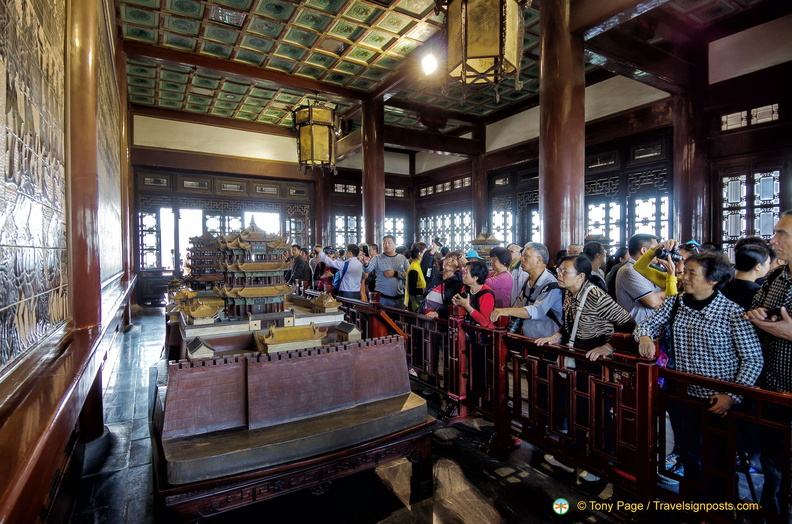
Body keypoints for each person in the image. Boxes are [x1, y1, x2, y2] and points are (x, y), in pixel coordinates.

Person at [636, 252, 763, 501]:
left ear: (713, 280)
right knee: (689, 452)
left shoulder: (732, 313)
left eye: (691, 273)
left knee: (719, 458)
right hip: (682, 395)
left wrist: (732, 395)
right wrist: (644, 336)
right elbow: (647, 324)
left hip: (718, 401)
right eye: (685, 272)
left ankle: (721, 509)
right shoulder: (676, 303)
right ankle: (692, 502)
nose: (684, 277)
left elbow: (752, 359)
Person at [744, 211, 792, 517]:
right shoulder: (776, 277)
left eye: (782, 234)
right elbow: (752, 308)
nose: (773, 240)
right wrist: (758, 315)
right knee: (775, 463)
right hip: (774, 387)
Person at [536, 255, 634, 356]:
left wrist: (609, 347)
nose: (559, 275)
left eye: (565, 271)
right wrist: (557, 336)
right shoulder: (569, 291)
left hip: (596, 358)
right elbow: (570, 322)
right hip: (578, 353)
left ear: (581, 276)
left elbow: (629, 323)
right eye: (559, 270)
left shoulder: (596, 296)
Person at [491, 242, 563, 339]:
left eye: (526, 256)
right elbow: (521, 306)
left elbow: (537, 311)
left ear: (539, 259)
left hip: (546, 342)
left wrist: (506, 310)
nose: (521, 259)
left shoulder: (551, 285)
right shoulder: (528, 281)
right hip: (528, 339)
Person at [615, 233, 664, 322]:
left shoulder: (649, 270)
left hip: (653, 327)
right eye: (657, 249)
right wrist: (663, 294)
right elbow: (654, 303)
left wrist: (657, 295)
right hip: (637, 329)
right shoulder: (629, 270)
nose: (660, 253)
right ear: (644, 250)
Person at [363, 235, 409, 309]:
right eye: (384, 243)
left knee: (396, 319)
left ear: (395, 244)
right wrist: (366, 263)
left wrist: (395, 273)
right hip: (382, 297)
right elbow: (367, 270)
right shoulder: (377, 258)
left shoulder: (402, 258)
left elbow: (409, 275)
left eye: (389, 243)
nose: (386, 245)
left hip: (398, 297)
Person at [721, 244, 770, 310]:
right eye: (769, 263)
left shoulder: (722, 284)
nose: (769, 266)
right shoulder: (758, 292)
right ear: (758, 267)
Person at [451, 260, 495, 328]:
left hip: (482, 333)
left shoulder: (487, 294)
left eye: (466, 273)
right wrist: (458, 302)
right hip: (468, 328)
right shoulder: (465, 288)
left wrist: (467, 306)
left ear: (475, 278)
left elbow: (485, 322)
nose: (463, 274)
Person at [424, 251, 465, 319]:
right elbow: (425, 267)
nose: (449, 261)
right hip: (424, 313)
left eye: (453, 260)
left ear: (458, 267)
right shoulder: (436, 275)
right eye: (448, 258)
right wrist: (433, 250)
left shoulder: (457, 282)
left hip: (440, 318)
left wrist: (438, 312)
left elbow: (454, 301)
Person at [405, 244, 427, 311]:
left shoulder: (418, 265)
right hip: (414, 303)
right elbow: (412, 290)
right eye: (425, 252)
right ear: (420, 254)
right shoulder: (414, 268)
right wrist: (425, 290)